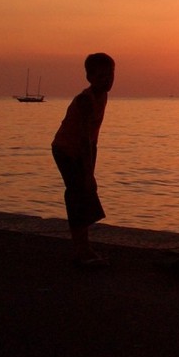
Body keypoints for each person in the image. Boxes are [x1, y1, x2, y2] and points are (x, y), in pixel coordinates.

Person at [51, 53, 115, 267]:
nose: (107, 80)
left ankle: (84, 247)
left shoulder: (102, 97)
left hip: (82, 149)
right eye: (101, 76)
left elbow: (92, 141)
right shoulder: (85, 101)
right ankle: (81, 250)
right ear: (89, 77)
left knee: (85, 194)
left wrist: (91, 171)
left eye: (110, 75)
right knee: (78, 194)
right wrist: (88, 174)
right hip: (66, 150)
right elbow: (84, 139)